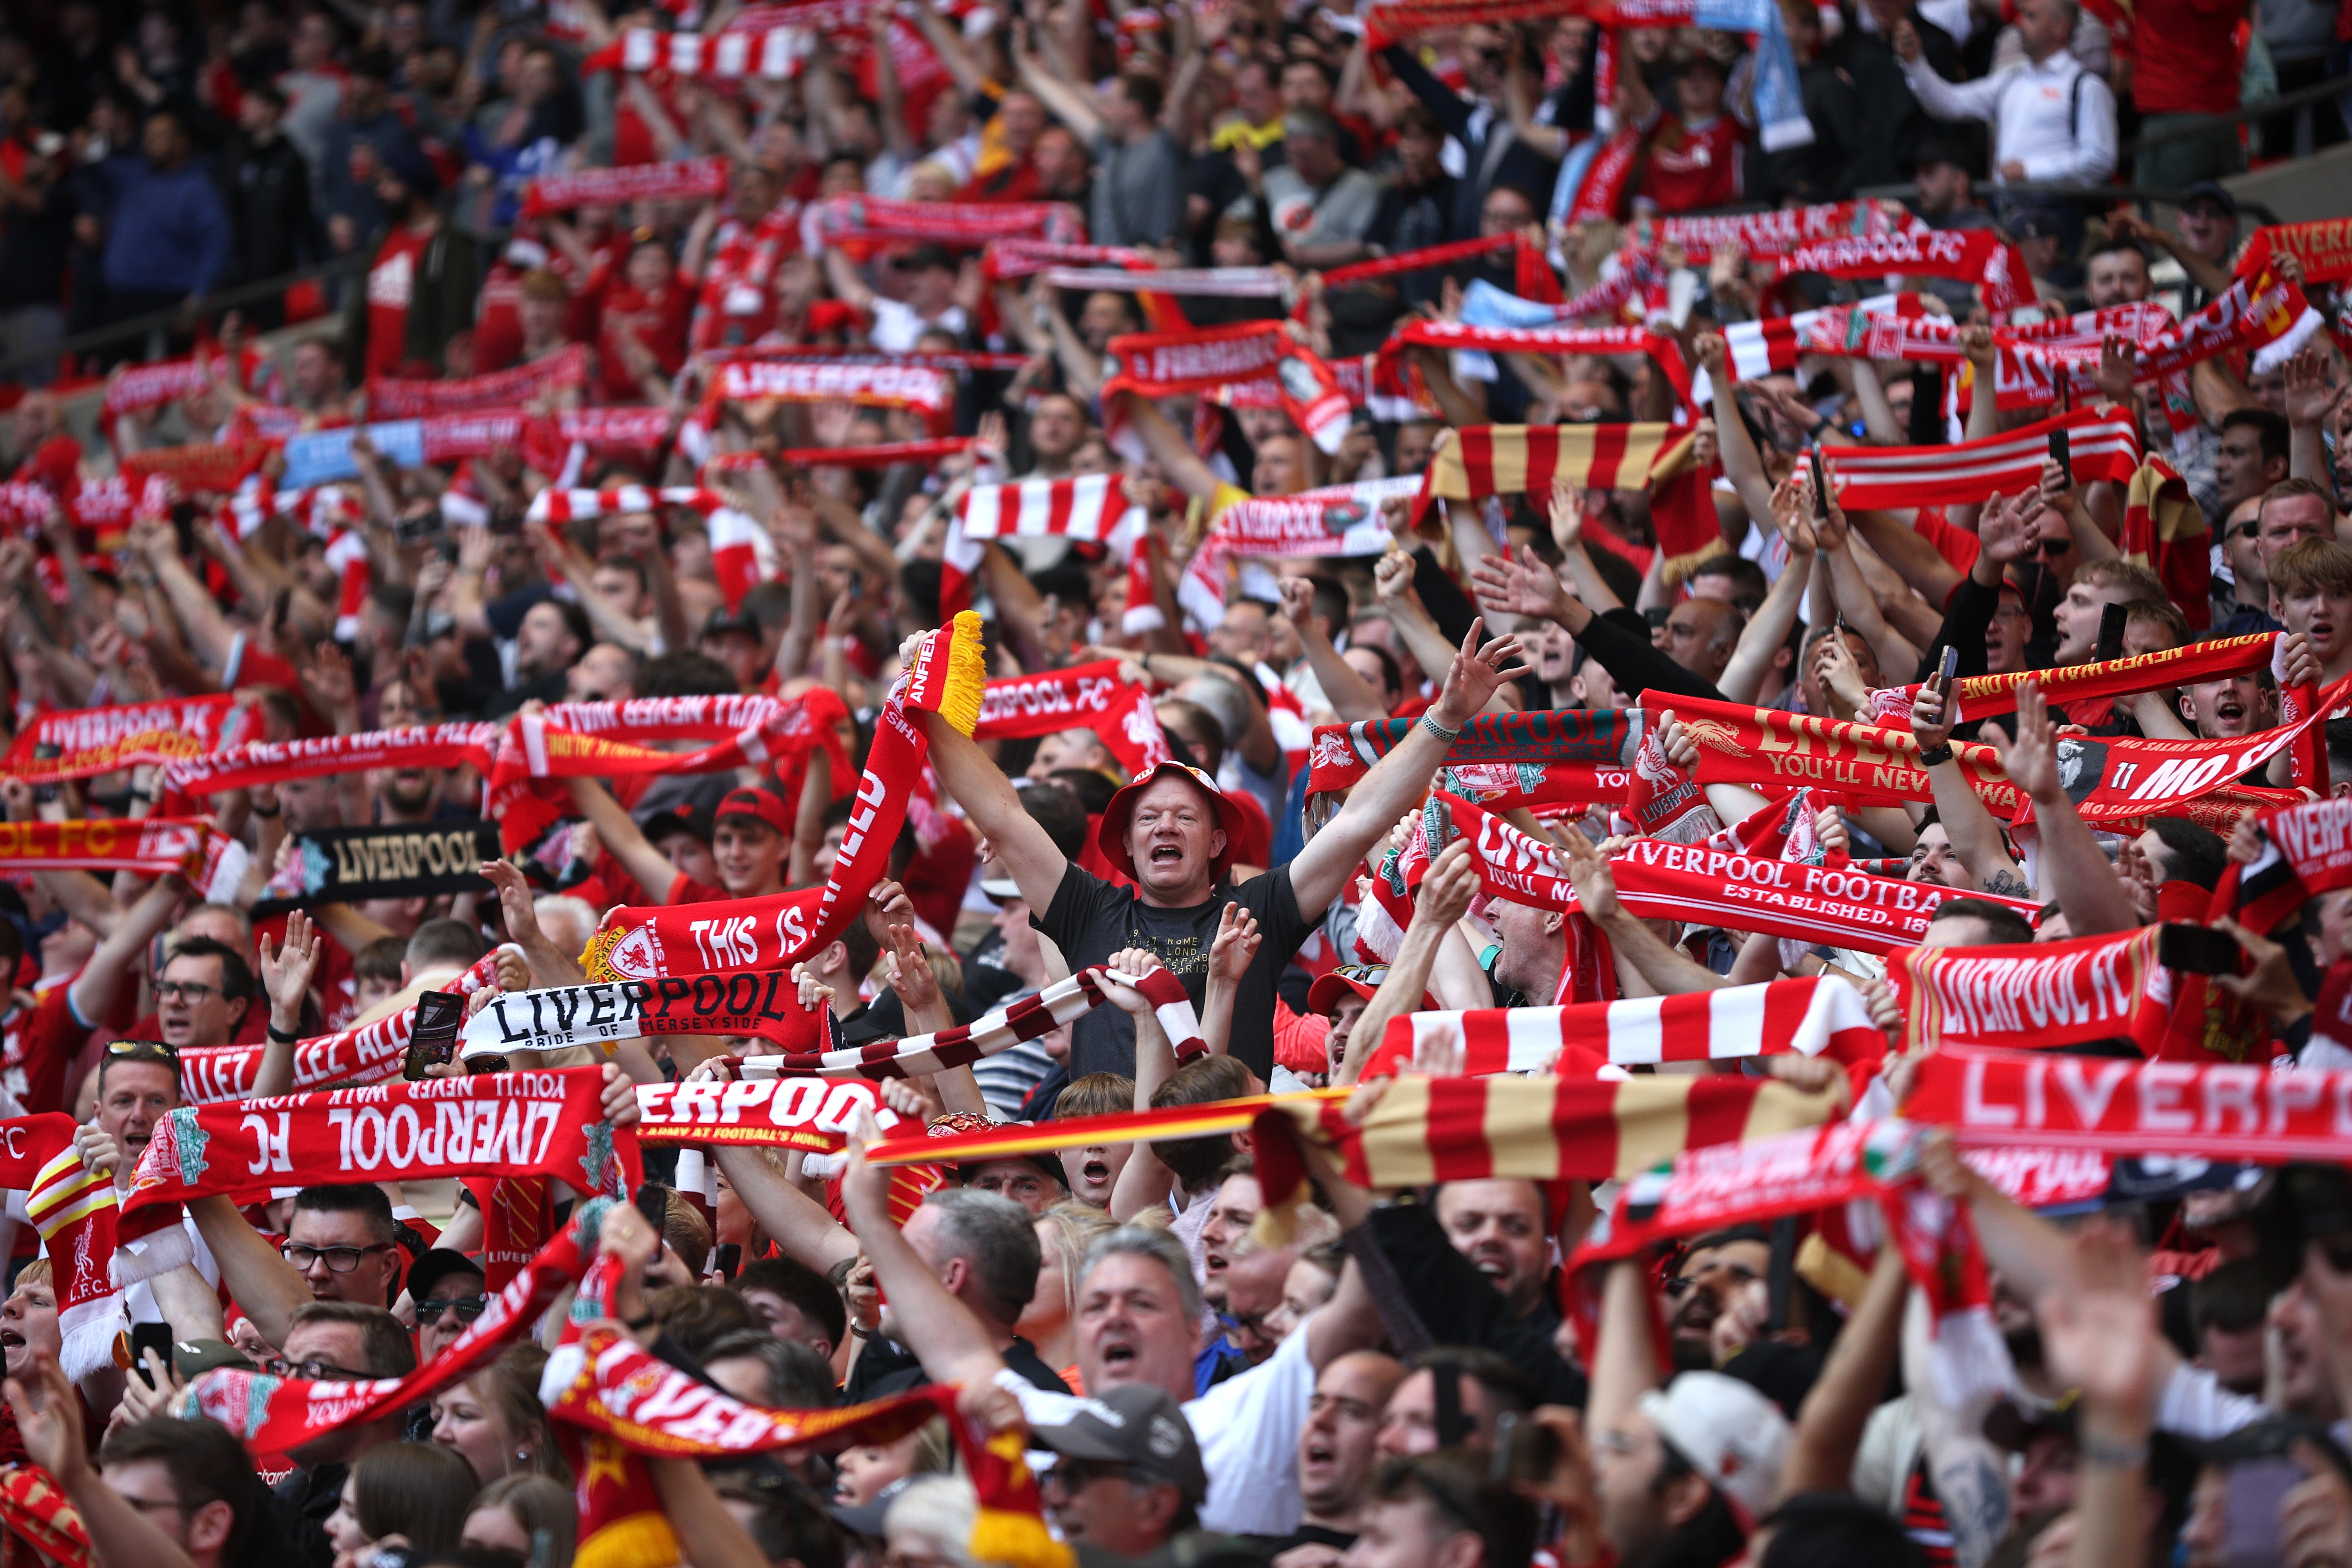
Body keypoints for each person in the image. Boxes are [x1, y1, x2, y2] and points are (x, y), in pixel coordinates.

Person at [1894, 0, 2116, 187]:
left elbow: (2100, 160)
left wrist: (2031, 172)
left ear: (2060, 27)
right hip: (2008, 209)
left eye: (2031, 17)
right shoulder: (2011, 82)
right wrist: (1914, 63)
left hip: (2057, 212)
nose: (2019, 24)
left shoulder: (2086, 86)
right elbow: (1949, 103)